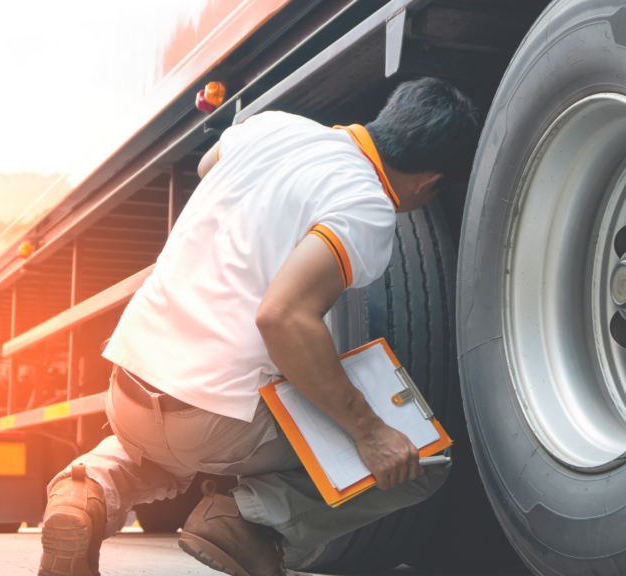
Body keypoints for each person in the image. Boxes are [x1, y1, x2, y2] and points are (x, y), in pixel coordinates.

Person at [37, 77, 480, 576]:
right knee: (421, 464)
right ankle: (243, 520)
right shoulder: (365, 203)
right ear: (429, 180)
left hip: (129, 389)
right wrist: (369, 430)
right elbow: (282, 317)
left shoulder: (271, 127)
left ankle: (84, 493)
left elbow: (209, 167)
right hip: (213, 422)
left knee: (161, 453)